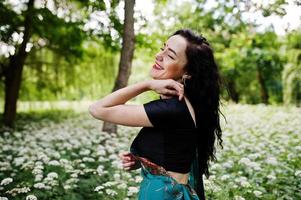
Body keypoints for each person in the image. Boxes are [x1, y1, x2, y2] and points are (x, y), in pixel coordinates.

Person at [89, 29, 224, 200]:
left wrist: (147, 84)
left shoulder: (171, 109)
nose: (159, 55)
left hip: (163, 195)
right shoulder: (186, 103)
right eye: (163, 48)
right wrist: (146, 161)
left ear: (187, 73)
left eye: (170, 55)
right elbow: (177, 152)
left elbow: (97, 109)